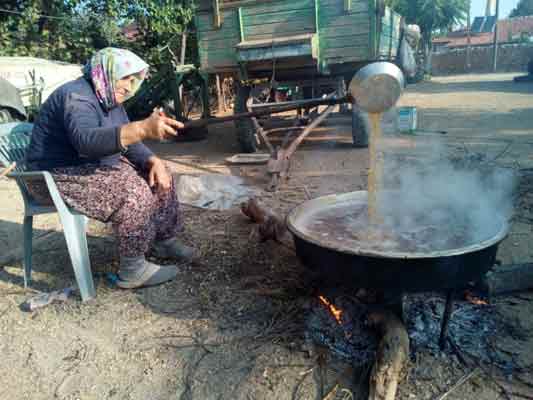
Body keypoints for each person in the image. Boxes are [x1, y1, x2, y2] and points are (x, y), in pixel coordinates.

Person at [25, 47, 193, 289]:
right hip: (51, 176)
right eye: (125, 77)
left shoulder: (110, 100)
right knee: (131, 191)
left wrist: (153, 160)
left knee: (157, 173)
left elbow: (129, 142)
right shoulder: (77, 96)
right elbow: (86, 141)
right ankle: (133, 269)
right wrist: (142, 128)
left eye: (135, 79)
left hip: (85, 168)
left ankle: (163, 239)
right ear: (103, 71)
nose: (130, 85)